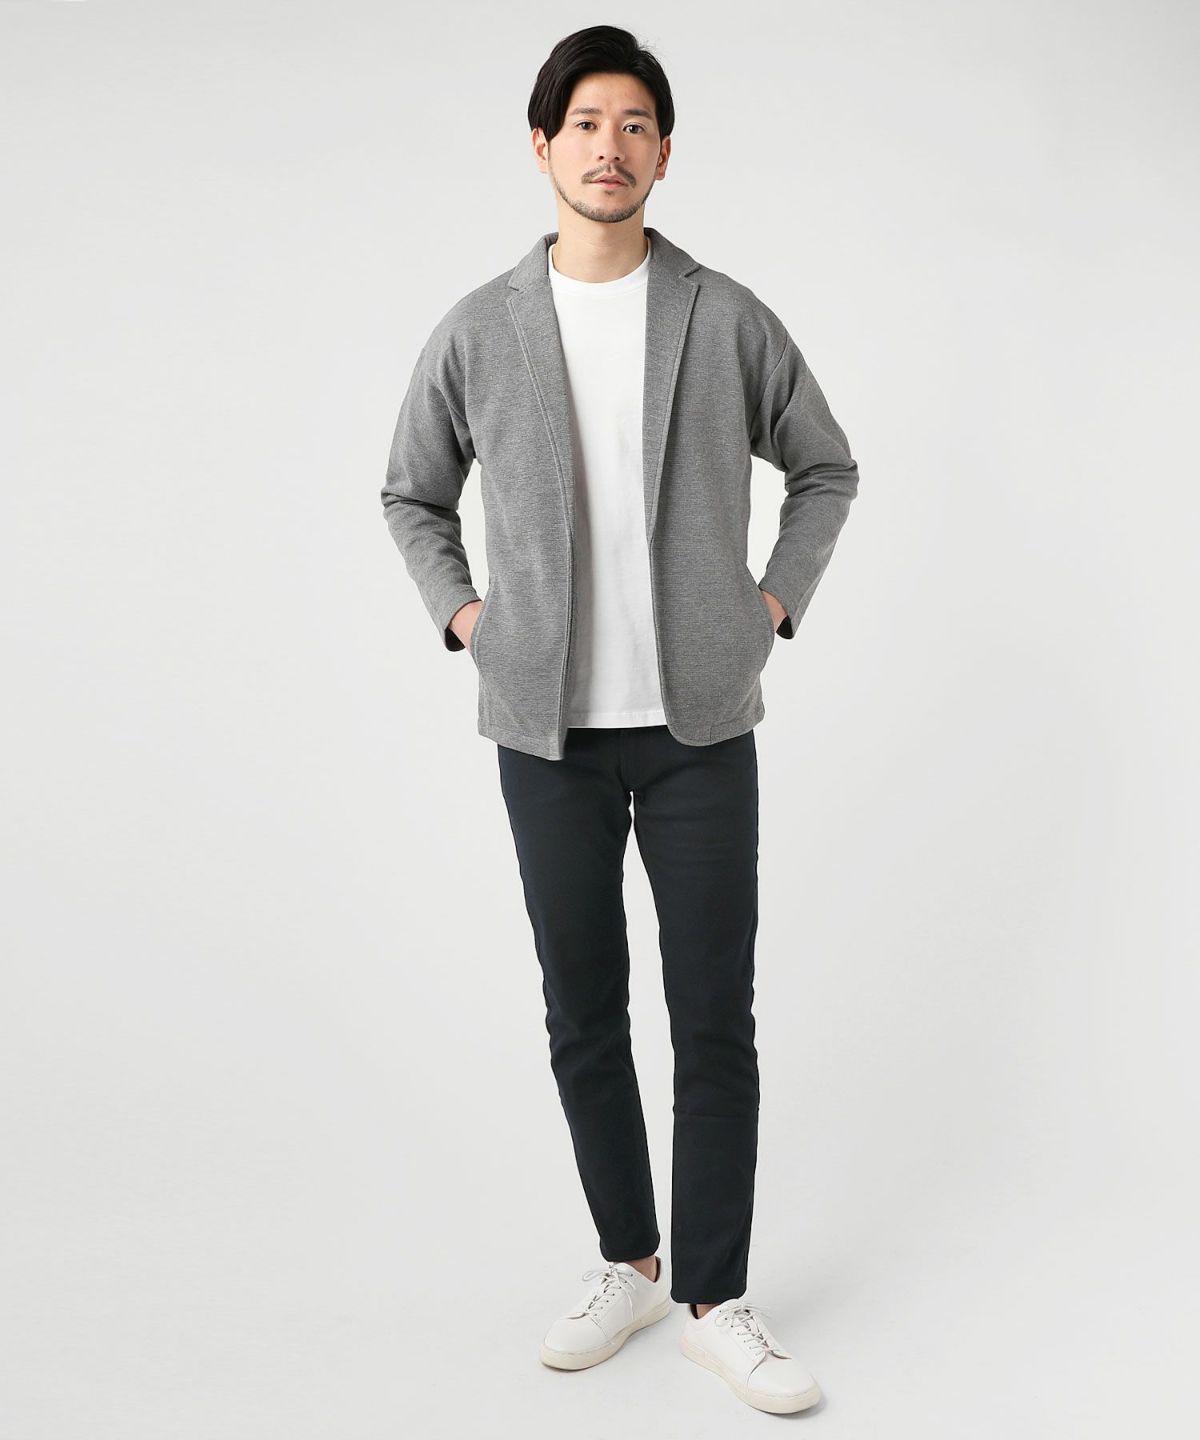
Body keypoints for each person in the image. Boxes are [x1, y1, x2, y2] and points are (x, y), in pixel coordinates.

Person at [381, 24, 859, 1416]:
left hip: (701, 724)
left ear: (663, 152)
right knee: (583, 1011)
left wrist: (769, 605)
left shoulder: (722, 315)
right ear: (543, 146)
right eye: (586, 122)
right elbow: (411, 493)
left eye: (635, 123)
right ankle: (630, 1261)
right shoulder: (481, 327)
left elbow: (825, 469)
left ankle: (715, 1296)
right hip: (547, 734)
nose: (610, 145)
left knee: (713, 1018)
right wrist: (469, 620)